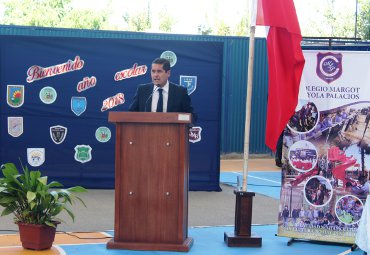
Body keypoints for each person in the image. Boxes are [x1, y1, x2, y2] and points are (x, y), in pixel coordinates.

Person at [129, 58, 197, 121]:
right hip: (145, 132)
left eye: (159, 71)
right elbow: (130, 114)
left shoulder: (180, 92)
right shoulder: (142, 90)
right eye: (153, 71)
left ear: (168, 73)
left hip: (171, 133)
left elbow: (192, 117)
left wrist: (177, 118)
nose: (155, 75)